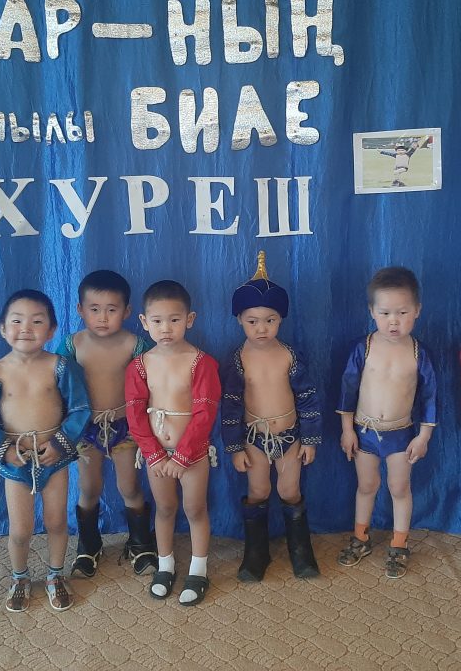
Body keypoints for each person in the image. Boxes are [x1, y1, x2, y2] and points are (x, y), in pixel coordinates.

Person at [0, 290, 91, 612]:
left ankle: (55, 574)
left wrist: (60, 444)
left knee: (56, 522)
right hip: (15, 462)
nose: (26, 328)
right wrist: (3, 448)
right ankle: (19, 577)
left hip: (55, 458)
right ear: (2, 328)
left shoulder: (60, 367)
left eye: (37, 321)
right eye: (17, 321)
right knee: (20, 530)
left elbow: (80, 409)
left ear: (51, 330)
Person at [221, 252, 322, 581]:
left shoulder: (290, 356)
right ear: (239, 319)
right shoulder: (238, 359)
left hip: (290, 436)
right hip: (254, 439)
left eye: (270, 320)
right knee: (259, 490)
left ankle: (300, 550)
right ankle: (256, 552)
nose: (261, 328)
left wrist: (310, 439)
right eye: (252, 321)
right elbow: (231, 405)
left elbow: (307, 396)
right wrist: (234, 447)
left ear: (281, 319)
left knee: (289, 490)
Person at [336, 267, 437, 579]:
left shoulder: (419, 353)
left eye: (402, 312)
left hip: (401, 435)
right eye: (385, 313)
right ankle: (361, 537)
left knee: (399, 487)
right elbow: (348, 390)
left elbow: (430, 397)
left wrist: (423, 437)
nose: (394, 321)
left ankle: (399, 542)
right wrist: (347, 430)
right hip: (364, 432)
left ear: (417, 310)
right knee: (366, 485)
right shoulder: (363, 348)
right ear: (372, 312)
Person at [125, 280, 220, 606]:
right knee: (165, 508)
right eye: (157, 320)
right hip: (156, 455)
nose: (166, 328)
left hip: (192, 454)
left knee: (195, 508)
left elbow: (205, 413)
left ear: (190, 319)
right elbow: (135, 413)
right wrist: (154, 454)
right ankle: (165, 565)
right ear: (144, 322)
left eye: (174, 320)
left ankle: (198, 570)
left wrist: (182, 456)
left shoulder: (201, 362)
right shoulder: (139, 365)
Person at [58, 270, 156, 579]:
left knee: (129, 486)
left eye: (112, 310)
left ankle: (140, 543)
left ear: (127, 312)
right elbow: (56, 384)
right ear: (80, 309)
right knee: (89, 488)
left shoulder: (135, 344)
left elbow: (153, 382)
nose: (102, 317)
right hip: (86, 429)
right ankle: (88, 544)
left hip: (125, 427)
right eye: (94, 309)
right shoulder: (72, 344)